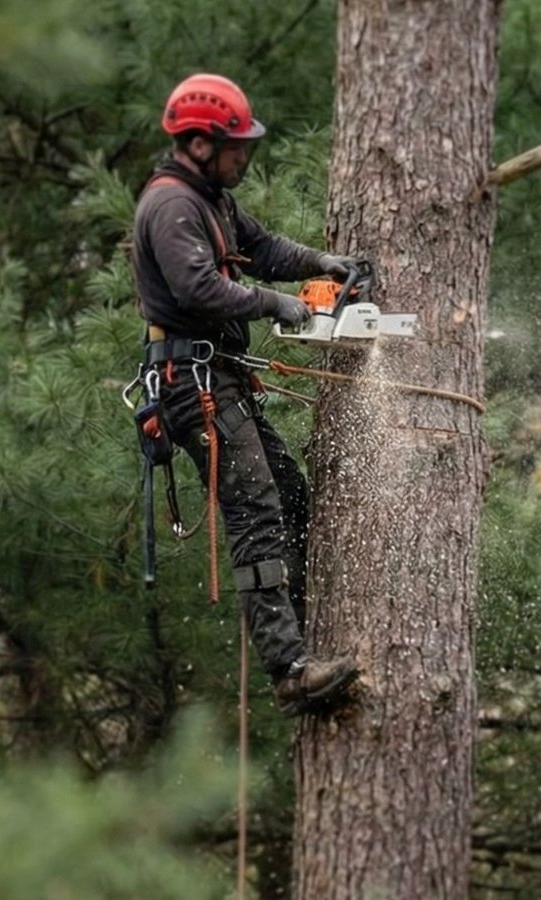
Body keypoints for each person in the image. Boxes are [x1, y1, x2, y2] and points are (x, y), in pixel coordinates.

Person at [131, 73, 358, 717]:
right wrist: (277, 304)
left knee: (287, 493)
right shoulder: (172, 207)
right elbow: (201, 290)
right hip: (192, 382)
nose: (244, 158)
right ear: (200, 143)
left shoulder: (213, 199)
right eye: (236, 147)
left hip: (219, 376)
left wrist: (323, 264)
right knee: (256, 507)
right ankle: (289, 669)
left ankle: (307, 635)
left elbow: (261, 247)